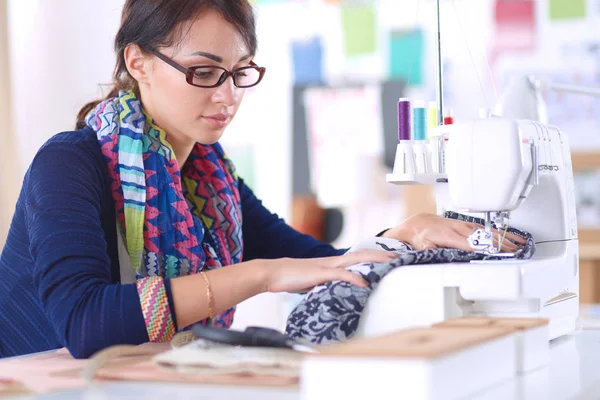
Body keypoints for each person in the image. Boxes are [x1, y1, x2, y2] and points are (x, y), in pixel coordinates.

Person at [0, 0, 524, 359]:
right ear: (137, 60)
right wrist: (262, 274)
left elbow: (318, 260)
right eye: (204, 72)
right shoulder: (69, 164)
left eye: (239, 72)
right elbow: (86, 322)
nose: (227, 97)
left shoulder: (208, 181)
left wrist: (403, 234)